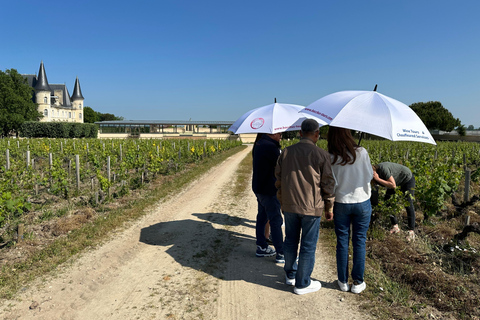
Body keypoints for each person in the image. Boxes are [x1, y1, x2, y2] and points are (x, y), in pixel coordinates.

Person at [275, 119, 335, 295]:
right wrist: (329, 207)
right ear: (316, 134)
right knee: (308, 245)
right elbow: (328, 184)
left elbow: (278, 180)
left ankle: (290, 275)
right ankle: (302, 283)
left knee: (290, 241)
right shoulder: (322, 155)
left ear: (300, 133)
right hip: (312, 207)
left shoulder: (286, 152)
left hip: (290, 205)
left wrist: (282, 201)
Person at [327, 127, 373, 294]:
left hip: (341, 203)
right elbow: (369, 176)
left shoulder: (331, 157)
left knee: (342, 242)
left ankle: (343, 281)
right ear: (348, 134)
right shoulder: (361, 152)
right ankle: (358, 282)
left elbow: (331, 183)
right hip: (362, 201)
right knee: (359, 241)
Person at [252, 132, 284, 263]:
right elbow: (281, 167)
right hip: (269, 189)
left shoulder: (259, 143)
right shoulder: (270, 147)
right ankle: (281, 253)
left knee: (262, 216)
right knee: (276, 220)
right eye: (279, 133)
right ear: (273, 132)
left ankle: (262, 246)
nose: (281, 135)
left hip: (259, 187)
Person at [372, 162, 416, 241]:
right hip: (396, 180)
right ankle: (395, 226)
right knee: (388, 201)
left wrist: (378, 179)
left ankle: (411, 231)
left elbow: (393, 185)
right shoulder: (371, 176)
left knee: (408, 203)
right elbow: (374, 192)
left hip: (406, 178)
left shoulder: (382, 169)